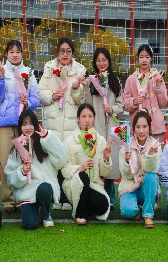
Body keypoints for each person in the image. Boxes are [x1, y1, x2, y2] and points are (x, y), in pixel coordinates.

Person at [39, 37, 88, 211]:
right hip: (53, 121)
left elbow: (82, 101)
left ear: (72, 53)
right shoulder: (49, 68)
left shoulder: (80, 70)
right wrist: (52, 96)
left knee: (68, 159)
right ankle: (54, 197)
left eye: (68, 51)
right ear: (57, 52)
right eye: (62, 51)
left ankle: (67, 197)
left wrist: (75, 89)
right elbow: (40, 93)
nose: (65, 54)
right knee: (52, 160)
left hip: (70, 124)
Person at [0, 39, 39, 213]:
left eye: (17, 51)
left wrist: (28, 103)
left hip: (23, 124)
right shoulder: (1, 71)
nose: (15, 55)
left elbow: (36, 97)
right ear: (6, 54)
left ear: (22, 53)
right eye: (11, 52)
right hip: (5, 123)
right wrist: (0, 78)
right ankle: (7, 201)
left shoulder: (29, 73)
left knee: (24, 160)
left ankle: (21, 199)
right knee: (6, 162)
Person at [4, 110, 68, 230]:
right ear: (20, 127)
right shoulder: (17, 149)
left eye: (31, 123)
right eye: (24, 124)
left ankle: (45, 214)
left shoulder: (44, 143)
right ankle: (33, 213)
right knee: (30, 225)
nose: (28, 127)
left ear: (35, 125)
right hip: (27, 192)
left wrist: (47, 138)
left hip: (45, 189)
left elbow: (61, 159)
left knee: (45, 187)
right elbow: (10, 178)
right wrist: (22, 171)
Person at [85, 47, 124, 208]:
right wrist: (85, 87)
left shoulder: (115, 81)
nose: (101, 63)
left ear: (109, 61)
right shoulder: (90, 81)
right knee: (96, 161)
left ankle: (110, 198)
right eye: (98, 60)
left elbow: (121, 105)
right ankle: (96, 196)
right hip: (96, 126)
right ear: (95, 63)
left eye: (104, 60)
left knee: (110, 161)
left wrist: (112, 109)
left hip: (111, 126)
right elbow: (86, 103)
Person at [61, 103, 113, 225]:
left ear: (94, 118)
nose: (87, 120)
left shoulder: (100, 140)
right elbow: (65, 169)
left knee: (102, 205)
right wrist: (80, 168)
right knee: (82, 176)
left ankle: (84, 208)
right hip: (75, 185)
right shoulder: (69, 141)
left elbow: (104, 173)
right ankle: (80, 215)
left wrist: (106, 158)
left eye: (90, 116)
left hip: (94, 185)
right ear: (78, 119)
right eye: (83, 116)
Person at [118, 110, 161, 228]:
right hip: (130, 187)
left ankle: (147, 215)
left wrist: (151, 156)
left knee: (152, 177)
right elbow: (125, 175)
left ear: (149, 127)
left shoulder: (155, 144)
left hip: (146, 189)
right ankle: (136, 209)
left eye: (144, 127)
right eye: (138, 127)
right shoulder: (125, 145)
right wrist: (127, 161)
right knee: (128, 211)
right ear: (133, 129)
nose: (141, 131)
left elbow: (153, 170)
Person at [123, 44, 168, 142]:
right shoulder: (131, 79)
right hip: (138, 127)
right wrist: (134, 102)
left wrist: (158, 87)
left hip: (156, 125)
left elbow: (163, 102)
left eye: (147, 57)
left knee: (156, 151)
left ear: (151, 58)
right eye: (141, 57)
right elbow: (125, 103)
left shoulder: (157, 77)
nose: (144, 60)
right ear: (138, 59)